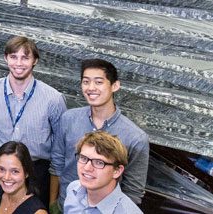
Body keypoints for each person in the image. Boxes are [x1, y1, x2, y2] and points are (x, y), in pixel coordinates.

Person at [0, 36, 66, 205]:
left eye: (25, 57)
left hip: (35, 171)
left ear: (35, 61)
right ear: (5, 58)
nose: (18, 63)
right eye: (13, 57)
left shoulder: (53, 99)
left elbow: (59, 143)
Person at [51, 59, 149, 209]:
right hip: (66, 206)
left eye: (98, 82)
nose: (91, 88)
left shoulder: (135, 137)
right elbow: (57, 165)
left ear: (115, 85)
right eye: (86, 82)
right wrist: (53, 204)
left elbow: (133, 191)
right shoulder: (68, 119)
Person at [63, 131, 143, 214]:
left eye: (99, 162)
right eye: (83, 158)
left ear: (117, 171)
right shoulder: (73, 189)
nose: (87, 168)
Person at [0, 142, 47, 214]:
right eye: (1, 169)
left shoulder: (38, 212)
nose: (6, 177)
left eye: (14, 171)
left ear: (26, 173)